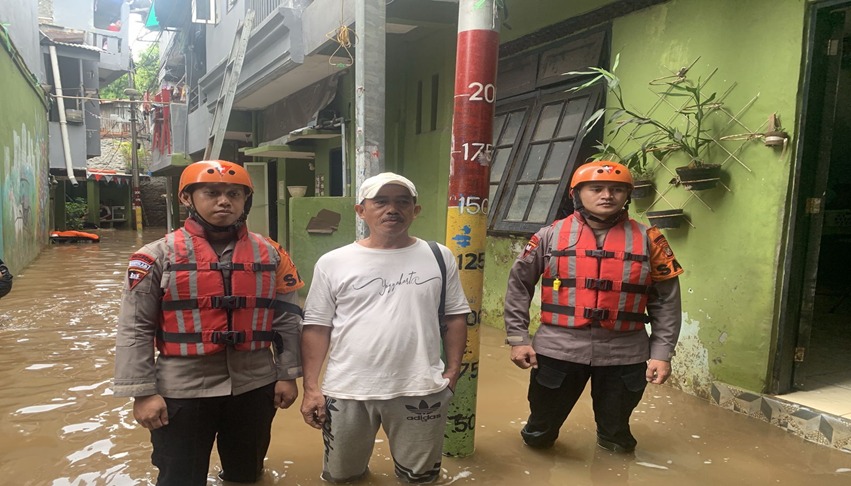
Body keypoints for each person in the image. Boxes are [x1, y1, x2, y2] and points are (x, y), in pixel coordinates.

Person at [113, 160, 305, 485]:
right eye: (212, 192)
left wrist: (288, 375)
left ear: (246, 200)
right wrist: (142, 393)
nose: (224, 201)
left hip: (254, 386)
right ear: (187, 198)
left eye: (234, 193)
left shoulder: (272, 254)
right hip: (182, 391)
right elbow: (135, 328)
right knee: (180, 477)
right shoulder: (155, 256)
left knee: (246, 474)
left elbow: (287, 319)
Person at [300, 172, 470, 483]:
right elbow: (316, 327)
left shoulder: (439, 256)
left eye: (402, 202)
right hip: (348, 389)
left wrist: (453, 372)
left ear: (415, 210)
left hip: (421, 387)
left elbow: (455, 317)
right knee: (342, 477)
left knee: (419, 479)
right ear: (361, 210)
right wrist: (311, 389)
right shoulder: (333, 262)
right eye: (381, 201)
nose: (392, 209)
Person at [504, 160, 683, 453]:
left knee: (617, 440)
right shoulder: (549, 235)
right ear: (577, 194)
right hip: (558, 350)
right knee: (539, 433)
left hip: (625, 355)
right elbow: (518, 286)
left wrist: (661, 354)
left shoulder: (650, 240)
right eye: (596, 188)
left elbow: (667, 303)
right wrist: (517, 339)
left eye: (616, 189)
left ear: (627, 196)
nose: (607, 195)